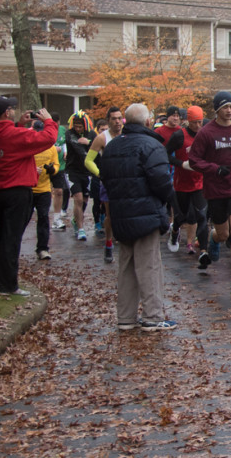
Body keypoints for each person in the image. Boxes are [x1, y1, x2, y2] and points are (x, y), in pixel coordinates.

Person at [100, 103, 177, 331]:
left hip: (121, 212)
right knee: (149, 265)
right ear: (146, 122)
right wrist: (171, 201)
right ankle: (153, 316)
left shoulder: (112, 146)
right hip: (145, 211)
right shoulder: (151, 146)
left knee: (126, 265)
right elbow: (161, 181)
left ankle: (125, 317)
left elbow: (105, 176)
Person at [0, 97, 57, 296]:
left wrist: (19, 124)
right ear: (6, 112)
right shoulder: (14, 135)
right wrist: (49, 121)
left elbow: (4, 137)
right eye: (12, 108)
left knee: (1, 237)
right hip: (16, 191)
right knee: (12, 238)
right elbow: (47, 138)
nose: (14, 110)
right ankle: (7, 285)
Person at [188, 91, 231, 294]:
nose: (229, 111)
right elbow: (194, 159)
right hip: (216, 188)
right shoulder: (206, 132)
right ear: (217, 109)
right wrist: (214, 168)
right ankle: (213, 238)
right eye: (225, 107)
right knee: (223, 233)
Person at [166, 106, 209, 259]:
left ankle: (204, 251)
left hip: (200, 182)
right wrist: (181, 163)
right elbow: (165, 155)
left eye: (200, 122)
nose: (198, 126)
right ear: (188, 121)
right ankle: (175, 230)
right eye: (194, 123)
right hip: (182, 182)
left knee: (201, 216)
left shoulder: (206, 134)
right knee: (181, 216)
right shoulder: (179, 136)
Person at [83, 106, 124, 263]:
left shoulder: (127, 135)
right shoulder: (102, 138)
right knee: (111, 215)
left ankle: (124, 241)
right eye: (114, 118)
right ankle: (108, 243)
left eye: (120, 118)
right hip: (109, 182)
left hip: (126, 181)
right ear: (109, 120)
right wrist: (100, 174)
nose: (117, 121)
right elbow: (88, 161)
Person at [63, 110, 96, 241]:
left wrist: (88, 143)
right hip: (73, 171)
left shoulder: (92, 134)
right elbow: (77, 148)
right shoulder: (69, 134)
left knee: (85, 200)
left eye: (80, 126)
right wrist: (85, 145)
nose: (77, 128)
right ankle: (81, 229)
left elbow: (96, 146)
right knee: (78, 198)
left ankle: (76, 219)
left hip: (87, 172)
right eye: (75, 125)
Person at [30, 120, 59, 261]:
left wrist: (52, 169)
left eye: (41, 131)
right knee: (22, 220)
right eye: (37, 130)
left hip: (44, 189)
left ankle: (42, 249)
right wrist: (31, 170)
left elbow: (56, 165)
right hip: (27, 188)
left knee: (43, 217)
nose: (39, 133)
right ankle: (13, 247)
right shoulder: (28, 145)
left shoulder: (51, 148)